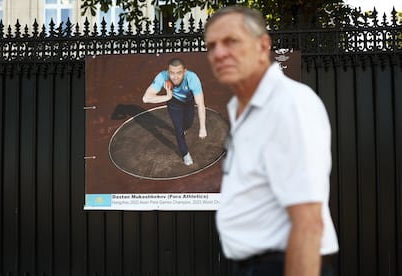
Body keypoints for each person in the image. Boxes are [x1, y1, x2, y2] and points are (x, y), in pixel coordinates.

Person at [204, 6, 339, 276]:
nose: (219, 53)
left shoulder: (289, 105)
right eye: (211, 46)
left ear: (263, 45)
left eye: (232, 41)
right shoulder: (243, 109)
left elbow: (308, 223)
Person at [142, 58, 207, 165]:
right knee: (179, 129)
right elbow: (146, 98)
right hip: (174, 104)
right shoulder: (162, 77)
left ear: (184, 72)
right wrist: (167, 97)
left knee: (188, 123)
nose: (175, 77)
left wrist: (203, 127)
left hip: (188, 102)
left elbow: (200, 104)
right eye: (172, 73)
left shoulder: (192, 78)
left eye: (179, 73)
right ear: (168, 72)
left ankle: (184, 128)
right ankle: (185, 154)